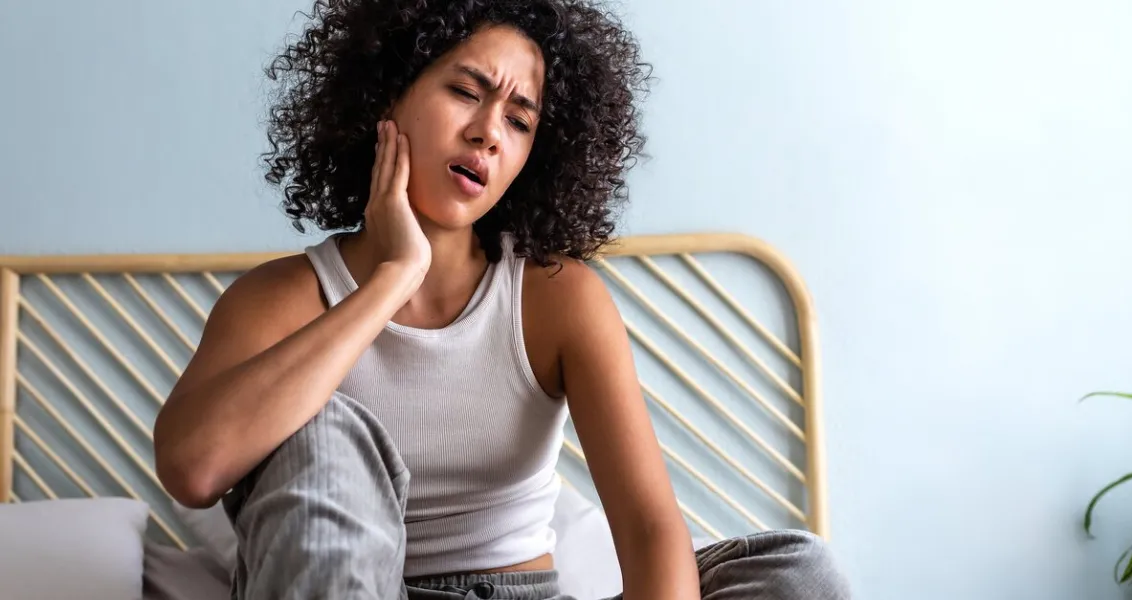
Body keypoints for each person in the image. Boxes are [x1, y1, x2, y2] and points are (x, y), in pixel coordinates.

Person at [153, 0, 852, 598]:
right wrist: (395, 275)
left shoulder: (553, 296)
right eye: (466, 91)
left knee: (796, 572)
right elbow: (193, 468)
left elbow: (648, 526)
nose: (489, 131)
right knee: (324, 432)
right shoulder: (278, 298)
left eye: (519, 120)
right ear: (385, 95)